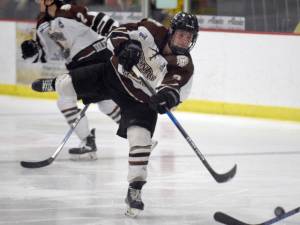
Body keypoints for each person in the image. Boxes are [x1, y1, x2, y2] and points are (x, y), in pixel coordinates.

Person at [36, 11, 198, 216]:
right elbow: (117, 32)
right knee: (66, 84)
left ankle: (134, 191)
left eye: (190, 37)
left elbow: (175, 91)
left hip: (140, 101)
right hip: (111, 76)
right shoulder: (150, 29)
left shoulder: (184, 65)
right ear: (172, 31)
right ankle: (55, 83)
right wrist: (124, 46)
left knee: (141, 140)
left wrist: (167, 98)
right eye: (182, 35)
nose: (185, 41)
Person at [20, 0, 121, 160]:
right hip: (79, 66)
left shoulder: (69, 11)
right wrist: (32, 51)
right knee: (106, 104)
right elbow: (44, 53)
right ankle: (142, 138)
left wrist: (121, 41)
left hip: (99, 57)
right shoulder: (42, 24)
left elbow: (103, 21)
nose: (37, 2)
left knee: (65, 95)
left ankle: (87, 142)